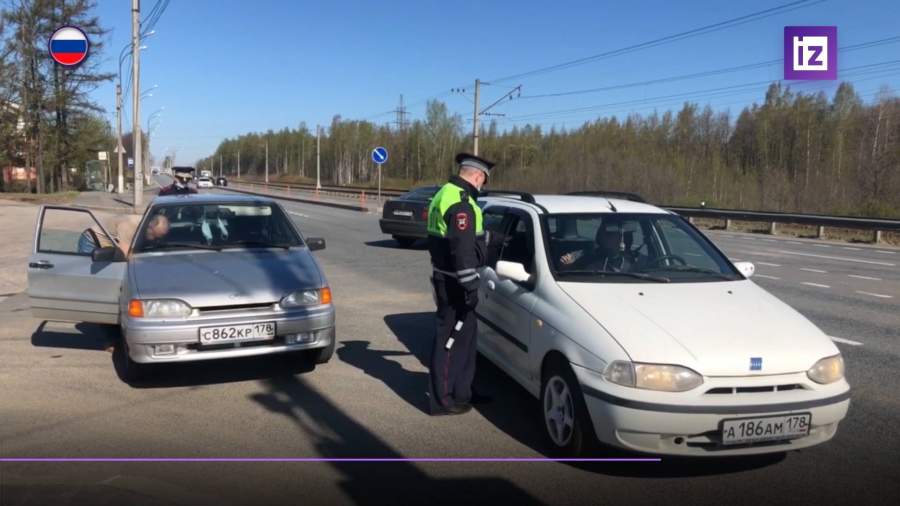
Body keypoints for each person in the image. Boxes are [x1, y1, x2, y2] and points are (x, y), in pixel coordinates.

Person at [425, 152, 494, 416]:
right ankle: (443, 400)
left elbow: (459, 237)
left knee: (465, 338)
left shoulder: (445, 193)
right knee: (450, 341)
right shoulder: (462, 203)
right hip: (455, 282)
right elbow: (461, 248)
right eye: (483, 181)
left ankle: (463, 390)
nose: (482, 186)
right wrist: (470, 287)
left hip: (445, 276)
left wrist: (490, 238)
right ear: (477, 176)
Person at [558, 220, 639, 272]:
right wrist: (566, 264)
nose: (604, 235)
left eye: (611, 233)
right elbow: (564, 274)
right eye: (603, 231)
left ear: (621, 237)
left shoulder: (635, 261)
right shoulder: (586, 255)